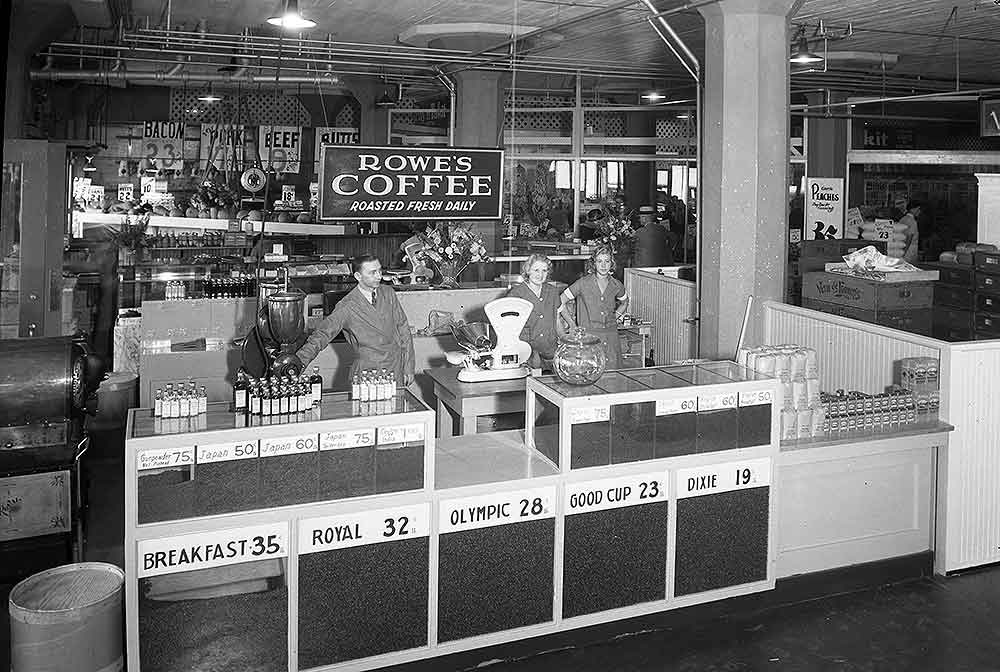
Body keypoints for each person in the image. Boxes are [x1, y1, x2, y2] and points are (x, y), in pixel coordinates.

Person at [292, 254, 415, 385]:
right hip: (368, 375)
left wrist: (408, 366)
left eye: (380, 270)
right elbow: (321, 335)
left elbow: (403, 329)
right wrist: (297, 363)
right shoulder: (347, 306)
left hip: (396, 370)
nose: (379, 276)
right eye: (373, 273)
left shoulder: (388, 292)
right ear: (358, 276)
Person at [559, 245, 629, 370]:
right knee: (589, 373)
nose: (603, 265)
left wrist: (616, 316)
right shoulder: (582, 283)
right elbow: (560, 302)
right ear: (594, 263)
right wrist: (572, 324)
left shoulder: (616, 285)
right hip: (589, 338)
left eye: (607, 261)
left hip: (611, 337)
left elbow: (625, 302)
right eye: (599, 261)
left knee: (613, 376)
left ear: (611, 263)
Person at [506, 253, 567, 370]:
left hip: (550, 350)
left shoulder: (553, 292)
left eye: (544, 270)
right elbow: (510, 328)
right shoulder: (516, 294)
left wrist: (565, 341)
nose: (540, 275)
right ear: (528, 270)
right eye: (536, 270)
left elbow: (557, 320)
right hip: (526, 352)